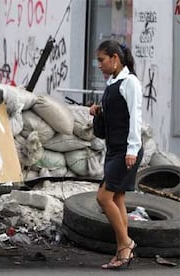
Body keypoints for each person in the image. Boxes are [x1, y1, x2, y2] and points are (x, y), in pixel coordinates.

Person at [89, 39, 143, 269]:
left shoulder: (130, 82)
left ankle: (126, 245)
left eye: (102, 60)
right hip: (114, 149)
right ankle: (123, 250)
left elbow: (135, 116)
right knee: (117, 198)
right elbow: (115, 110)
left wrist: (132, 149)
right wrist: (98, 110)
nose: (99, 65)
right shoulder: (113, 82)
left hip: (125, 151)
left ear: (115, 58)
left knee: (103, 197)